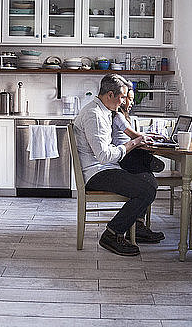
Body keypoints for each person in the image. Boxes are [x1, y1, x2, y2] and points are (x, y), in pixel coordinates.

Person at [74, 74, 165, 257]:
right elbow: (104, 156)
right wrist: (133, 143)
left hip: (106, 168)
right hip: (97, 173)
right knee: (146, 190)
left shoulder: (104, 111)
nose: (124, 101)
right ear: (110, 95)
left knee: (148, 180)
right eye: (122, 97)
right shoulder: (94, 115)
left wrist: (138, 140)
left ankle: (137, 226)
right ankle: (112, 233)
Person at [112, 83, 166, 174]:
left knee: (154, 165)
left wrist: (152, 135)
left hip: (129, 152)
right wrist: (155, 136)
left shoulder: (122, 116)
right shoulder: (118, 116)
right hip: (125, 156)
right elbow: (134, 135)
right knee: (158, 165)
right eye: (130, 99)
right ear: (123, 99)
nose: (132, 102)